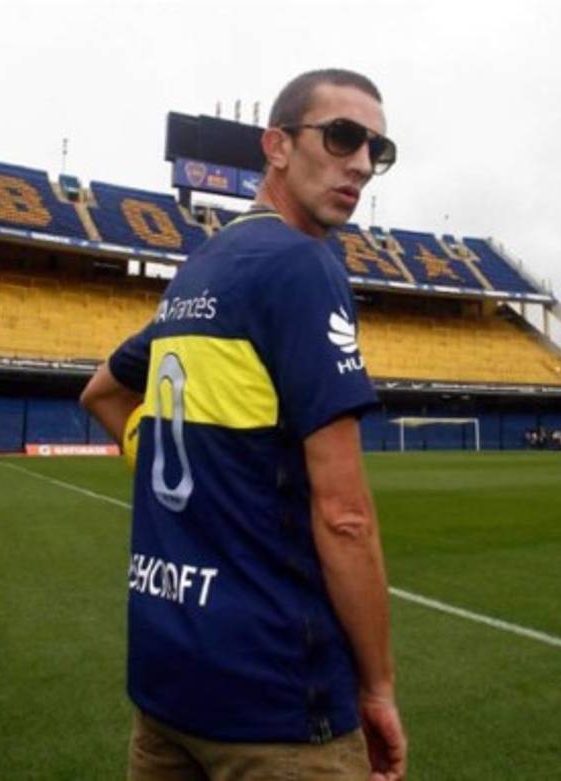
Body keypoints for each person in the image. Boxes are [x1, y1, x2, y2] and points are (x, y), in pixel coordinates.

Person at [80, 68, 406, 781]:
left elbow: (103, 392)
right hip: (274, 700)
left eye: (376, 151)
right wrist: (378, 686)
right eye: (343, 136)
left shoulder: (202, 267)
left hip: (166, 684)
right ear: (278, 146)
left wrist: (172, 469)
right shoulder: (303, 264)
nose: (360, 162)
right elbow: (346, 515)